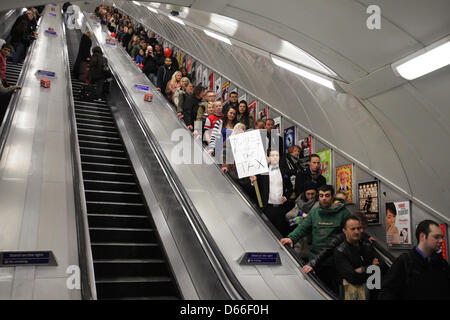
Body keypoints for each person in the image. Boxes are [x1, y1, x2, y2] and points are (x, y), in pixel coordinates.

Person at [280, 184, 351, 293]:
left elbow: (352, 230)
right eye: (321, 195)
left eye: (327, 195)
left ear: (332, 197)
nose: (324, 198)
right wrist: (291, 238)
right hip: (316, 261)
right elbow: (303, 228)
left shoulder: (343, 213)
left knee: (333, 292)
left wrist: (366, 238)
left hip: (335, 262)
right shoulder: (314, 213)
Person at [379, 220, 450, 300]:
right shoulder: (405, 262)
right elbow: (386, 293)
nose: (441, 241)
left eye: (442, 237)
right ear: (422, 236)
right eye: (436, 237)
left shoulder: (442, 264)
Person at [334, 216, 383, 300]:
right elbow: (353, 278)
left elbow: (380, 267)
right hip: (352, 294)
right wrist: (370, 267)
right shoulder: (340, 251)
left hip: (373, 292)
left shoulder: (367, 246)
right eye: (353, 229)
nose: (357, 232)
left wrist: (361, 269)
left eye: (358, 228)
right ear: (344, 231)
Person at [250, 149, 293, 236]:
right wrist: (252, 182)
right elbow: (255, 187)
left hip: (281, 208)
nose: (275, 157)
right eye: (272, 155)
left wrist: (285, 197)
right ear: (268, 157)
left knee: (280, 233)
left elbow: (290, 188)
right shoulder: (262, 172)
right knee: (266, 233)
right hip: (267, 208)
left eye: (277, 155)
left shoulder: (284, 171)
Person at [284, 183, 319, 258]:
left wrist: (297, 219)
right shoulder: (299, 202)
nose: (310, 196)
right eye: (308, 194)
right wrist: (301, 214)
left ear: (316, 194)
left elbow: (312, 219)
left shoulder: (318, 203)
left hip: (311, 239)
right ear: (304, 193)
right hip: (299, 240)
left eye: (312, 194)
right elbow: (288, 216)